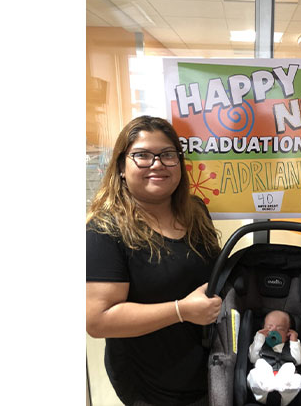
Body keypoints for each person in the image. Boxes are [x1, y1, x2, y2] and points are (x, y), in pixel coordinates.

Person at [86, 115, 223, 406]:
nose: (157, 164)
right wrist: (181, 310)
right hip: (151, 383)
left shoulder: (196, 211)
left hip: (210, 369)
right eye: (142, 155)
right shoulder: (105, 229)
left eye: (167, 155)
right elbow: (98, 321)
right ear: (122, 167)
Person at [247, 310, 301, 406]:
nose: (274, 330)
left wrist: (294, 341)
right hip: (262, 391)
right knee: (259, 366)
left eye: (280, 329)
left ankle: (278, 386)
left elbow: (300, 360)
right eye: (269, 327)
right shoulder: (261, 345)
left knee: (292, 371)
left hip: (284, 393)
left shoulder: (291, 347)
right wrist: (259, 338)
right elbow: (252, 357)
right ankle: (268, 386)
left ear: (288, 334)